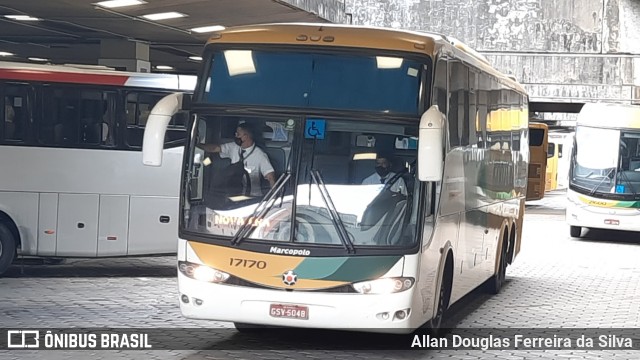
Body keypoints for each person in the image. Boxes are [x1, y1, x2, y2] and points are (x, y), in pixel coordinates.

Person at [199, 122, 276, 197]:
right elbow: (214, 148)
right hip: (233, 196)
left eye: (238, 134)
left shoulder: (260, 155)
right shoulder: (234, 147)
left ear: (246, 136)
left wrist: (274, 197)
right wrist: (196, 145)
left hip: (252, 198)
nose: (235, 136)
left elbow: (270, 177)